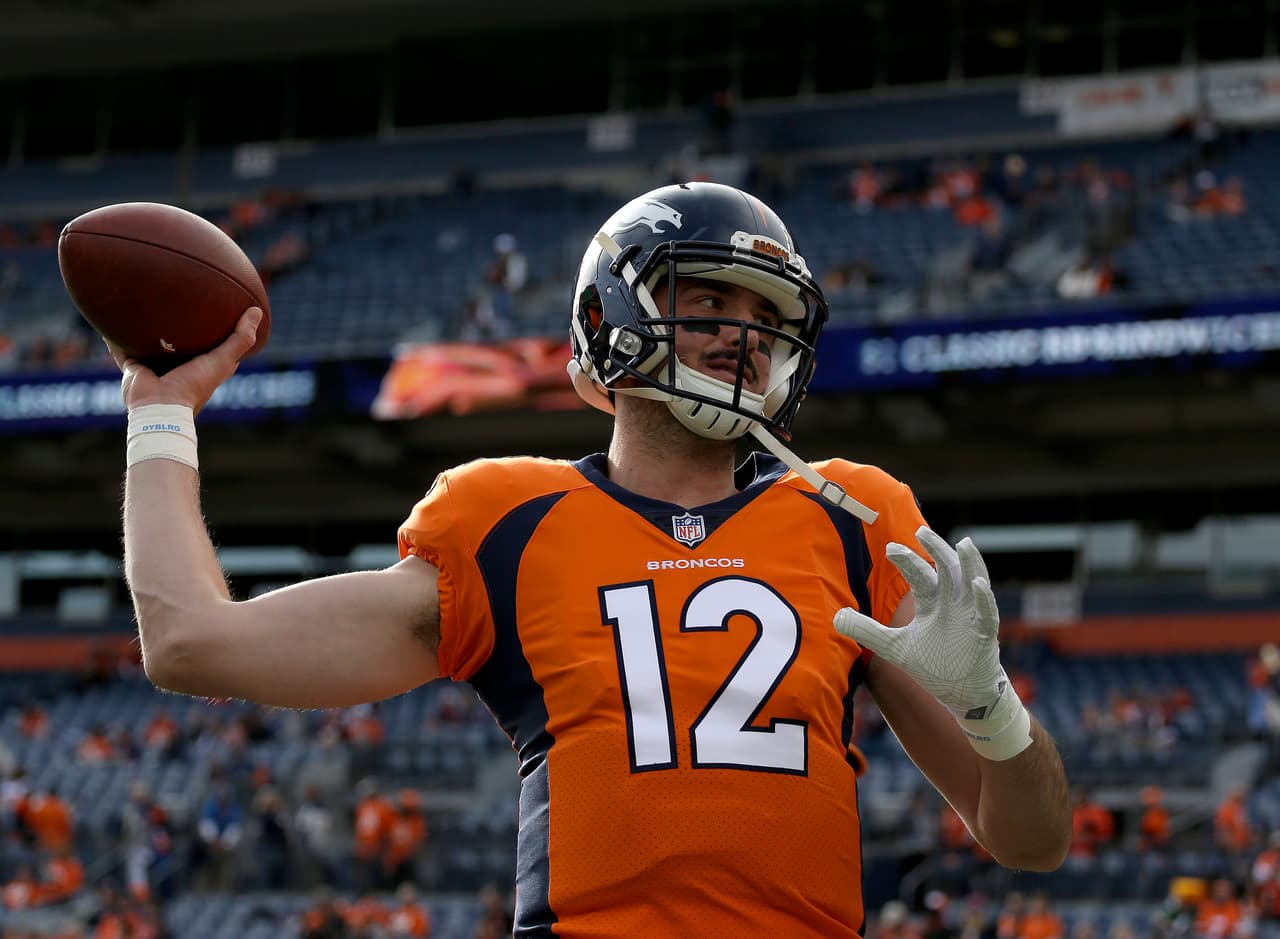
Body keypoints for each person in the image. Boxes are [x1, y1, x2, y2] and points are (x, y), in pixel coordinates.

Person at [107, 181, 1071, 937]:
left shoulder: (853, 516)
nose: (743, 337)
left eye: (764, 312)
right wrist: (160, 412)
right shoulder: (509, 520)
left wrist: (994, 710)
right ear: (613, 316)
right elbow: (189, 643)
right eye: (707, 300)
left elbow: (1030, 839)